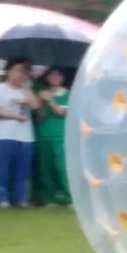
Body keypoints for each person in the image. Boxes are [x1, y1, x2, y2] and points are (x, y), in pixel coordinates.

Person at [0, 58, 39, 208]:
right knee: (3, 166)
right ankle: (2, 198)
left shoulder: (26, 91)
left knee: (22, 168)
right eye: (17, 70)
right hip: (5, 134)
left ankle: (21, 198)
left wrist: (27, 88)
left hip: (25, 135)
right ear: (9, 71)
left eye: (24, 72)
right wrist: (14, 116)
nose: (20, 75)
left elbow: (35, 106)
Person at [37, 67, 72, 206]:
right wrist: (40, 102)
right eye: (52, 75)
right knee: (46, 166)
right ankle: (49, 197)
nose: (55, 78)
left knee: (61, 166)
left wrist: (50, 100)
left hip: (60, 133)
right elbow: (41, 115)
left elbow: (62, 112)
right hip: (45, 132)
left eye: (58, 75)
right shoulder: (43, 93)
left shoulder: (68, 94)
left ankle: (68, 196)